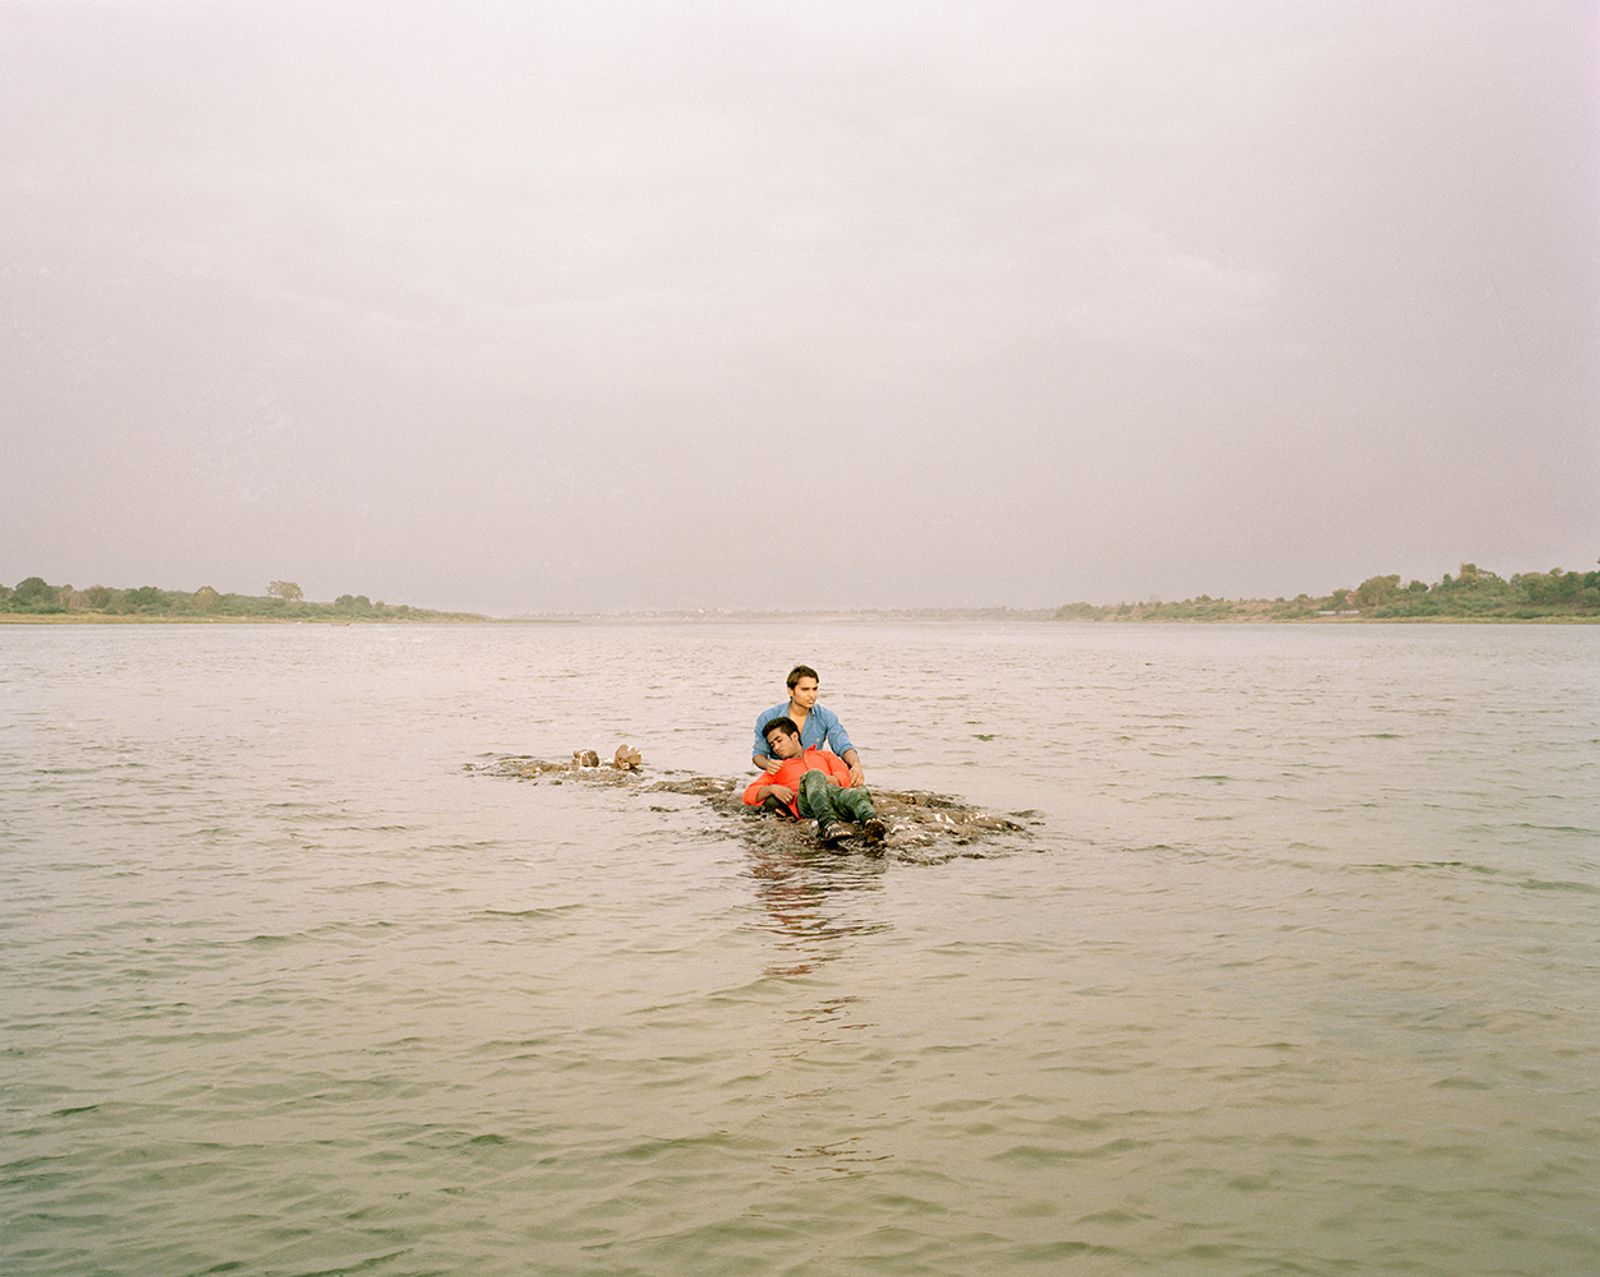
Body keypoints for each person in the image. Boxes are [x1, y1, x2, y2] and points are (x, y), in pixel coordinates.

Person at [743, 716, 886, 847]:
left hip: (834, 796)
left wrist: (827, 780)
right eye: (772, 745)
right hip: (806, 803)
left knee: (858, 792)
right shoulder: (778, 768)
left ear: (794, 736)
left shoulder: (824, 756)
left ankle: (871, 824)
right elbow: (749, 794)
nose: (776, 748)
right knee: (813, 775)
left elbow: (845, 775)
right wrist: (772, 789)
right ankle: (828, 825)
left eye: (779, 740)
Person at [751, 664, 864, 786]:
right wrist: (768, 765)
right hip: (785, 777)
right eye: (805, 690)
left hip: (814, 778)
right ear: (791, 691)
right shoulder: (768, 717)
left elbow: (843, 745)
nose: (812, 695)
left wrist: (856, 765)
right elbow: (758, 755)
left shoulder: (826, 716)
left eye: (814, 689)